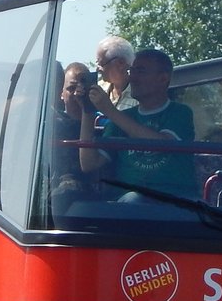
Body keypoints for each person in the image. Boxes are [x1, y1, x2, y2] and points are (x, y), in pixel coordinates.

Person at [77, 48, 197, 201]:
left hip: (178, 199)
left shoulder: (180, 112)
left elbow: (162, 144)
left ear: (163, 78)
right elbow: (89, 164)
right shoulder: (123, 117)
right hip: (131, 203)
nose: (132, 78)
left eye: (140, 71)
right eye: (131, 71)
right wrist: (88, 110)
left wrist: (110, 111)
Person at [49, 61, 98, 214]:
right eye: (71, 88)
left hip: (91, 192)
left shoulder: (103, 125)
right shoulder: (51, 124)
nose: (77, 94)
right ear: (61, 94)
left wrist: (87, 108)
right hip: (55, 192)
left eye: (81, 89)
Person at [94, 36, 138, 111]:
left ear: (121, 63)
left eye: (101, 64)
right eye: (97, 63)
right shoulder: (98, 89)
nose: (98, 69)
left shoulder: (138, 95)